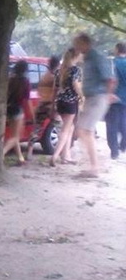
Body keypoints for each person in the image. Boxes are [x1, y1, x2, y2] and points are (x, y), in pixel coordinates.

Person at [73, 33, 115, 177]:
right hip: (92, 98)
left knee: (84, 130)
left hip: (98, 97)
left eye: (77, 43)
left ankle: (94, 167)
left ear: (85, 43)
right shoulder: (87, 58)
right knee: (84, 130)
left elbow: (110, 79)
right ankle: (92, 165)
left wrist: (108, 96)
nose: (75, 46)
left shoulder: (97, 57)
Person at [49, 48, 83, 166]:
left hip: (60, 102)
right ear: (76, 56)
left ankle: (66, 156)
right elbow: (76, 86)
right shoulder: (76, 70)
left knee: (70, 127)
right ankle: (55, 156)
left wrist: (52, 104)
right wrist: (82, 96)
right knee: (66, 130)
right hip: (70, 103)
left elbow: (55, 89)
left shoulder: (60, 70)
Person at [27, 55, 60, 160]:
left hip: (42, 104)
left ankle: (29, 152)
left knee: (36, 128)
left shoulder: (43, 76)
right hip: (51, 105)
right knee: (60, 127)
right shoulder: (55, 77)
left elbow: (39, 91)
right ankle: (61, 152)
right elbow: (57, 91)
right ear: (57, 64)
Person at [3, 60, 33, 165]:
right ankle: (1, 154)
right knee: (16, 137)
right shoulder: (25, 82)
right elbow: (28, 100)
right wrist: (32, 115)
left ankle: (20, 158)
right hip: (18, 110)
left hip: (8, 108)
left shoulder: (11, 80)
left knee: (13, 135)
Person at [106, 42, 126, 159]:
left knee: (112, 125)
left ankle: (114, 151)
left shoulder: (113, 63)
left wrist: (108, 94)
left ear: (117, 50)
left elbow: (111, 80)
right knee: (124, 121)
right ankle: (123, 145)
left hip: (114, 97)